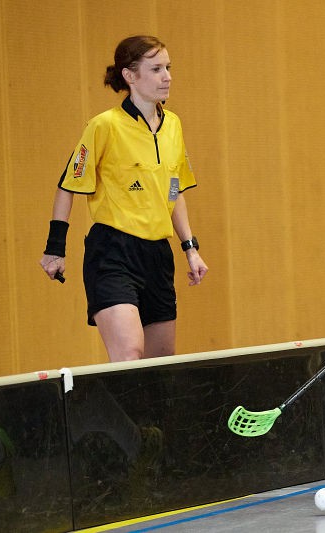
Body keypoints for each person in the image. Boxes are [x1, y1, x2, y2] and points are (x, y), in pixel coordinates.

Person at [39, 35, 208, 362]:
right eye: (156, 68)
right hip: (113, 253)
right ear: (130, 76)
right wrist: (54, 249)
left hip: (158, 256)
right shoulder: (104, 126)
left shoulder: (174, 126)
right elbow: (68, 185)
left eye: (168, 67)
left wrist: (190, 249)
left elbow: (174, 190)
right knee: (129, 355)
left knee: (161, 367)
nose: (167, 76)